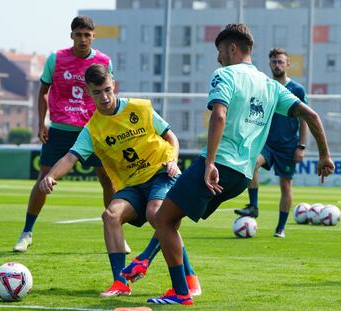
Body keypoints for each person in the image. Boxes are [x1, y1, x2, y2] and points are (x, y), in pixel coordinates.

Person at [122, 24, 334, 306]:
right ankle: (161, 269)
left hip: (218, 165)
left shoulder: (225, 75)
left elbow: (219, 116)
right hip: (242, 176)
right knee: (172, 217)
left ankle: (180, 291)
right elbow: (312, 116)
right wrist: (324, 156)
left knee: (162, 219)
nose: (218, 58)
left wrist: (209, 162)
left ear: (232, 48)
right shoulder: (270, 85)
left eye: (220, 51)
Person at [38, 64, 201, 298]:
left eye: (107, 89)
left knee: (158, 215)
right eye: (97, 92)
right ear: (88, 92)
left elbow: (170, 136)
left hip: (162, 173)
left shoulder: (139, 107)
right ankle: (121, 283)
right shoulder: (93, 129)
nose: (104, 97)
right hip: (133, 185)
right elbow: (70, 157)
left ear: (113, 85)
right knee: (110, 215)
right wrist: (50, 176)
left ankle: (150, 263)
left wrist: (173, 161)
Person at [12, 16, 131, 253]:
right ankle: (27, 232)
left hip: (94, 130)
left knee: (107, 179)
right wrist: (41, 123)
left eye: (87, 34)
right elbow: (43, 92)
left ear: (93, 36)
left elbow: (109, 96)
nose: (83, 39)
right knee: (44, 177)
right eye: (79, 34)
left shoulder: (103, 61)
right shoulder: (56, 59)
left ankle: (118, 234)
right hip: (61, 130)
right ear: (71, 36)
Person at [234, 48, 309, 238]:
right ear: (270, 64)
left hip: (288, 146)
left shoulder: (297, 89)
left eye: (280, 62)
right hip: (266, 143)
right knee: (251, 165)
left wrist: (301, 146)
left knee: (285, 185)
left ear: (288, 64)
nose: (277, 65)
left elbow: (305, 119)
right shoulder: (265, 86)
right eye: (274, 62)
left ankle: (281, 228)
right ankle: (253, 206)